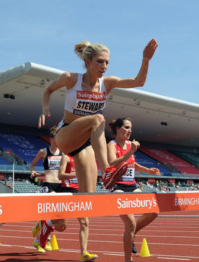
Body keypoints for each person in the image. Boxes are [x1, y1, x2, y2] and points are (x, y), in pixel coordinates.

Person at [36, 39, 157, 245]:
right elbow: (48, 90)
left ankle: (50, 223)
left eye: (107, 63)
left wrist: (145, 59)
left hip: (85, 144)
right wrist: (45, 108)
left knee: (87, 198)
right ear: (87, 61)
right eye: (100, 62)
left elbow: (139, 82)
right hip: (67, 134)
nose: (104, 67)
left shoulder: (107, 83)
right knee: (98, 118)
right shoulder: (70, 78)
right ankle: (108, 169)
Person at [108, 117, 161, 262]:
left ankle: (131, 235)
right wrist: (131, 150)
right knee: (130, 223)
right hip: (117, 187)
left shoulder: (129, 145)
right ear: (117, 129)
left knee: (154, 211)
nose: (130, 130)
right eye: (126, 127)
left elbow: (132, 164)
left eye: (131, 128)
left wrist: (148, 170)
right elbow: (112, 162)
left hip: (132, 186)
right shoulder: (111, 145)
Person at [29, 126, 63, 253]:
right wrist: (33, 172)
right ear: (50, 139)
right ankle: (45, 240)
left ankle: (39, 235)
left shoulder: (63, 152)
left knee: (56, 215)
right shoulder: (43, 151)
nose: (57, 142)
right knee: (50, 213)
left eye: (58, 139)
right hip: (48, 184)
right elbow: (32, 165)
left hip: (60, 186)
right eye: (55, 139)